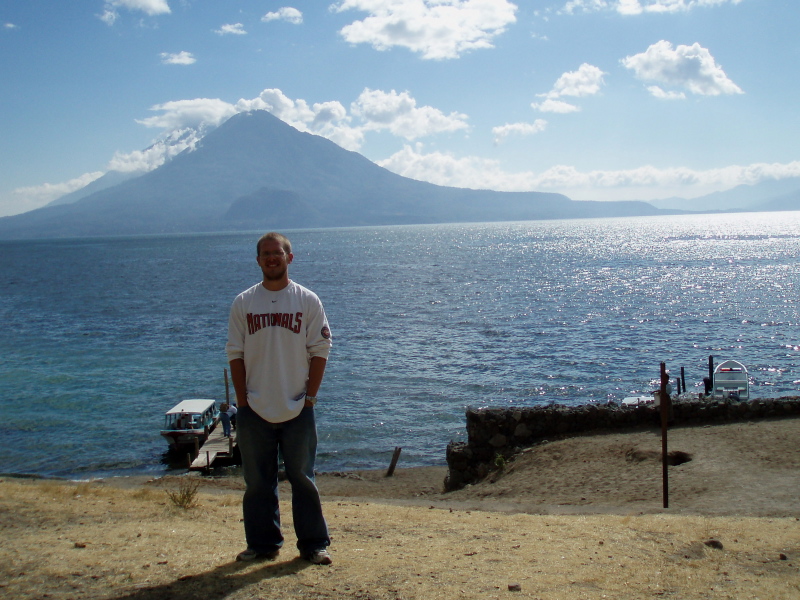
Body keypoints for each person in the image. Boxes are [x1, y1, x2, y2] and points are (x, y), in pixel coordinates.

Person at [226, 232, 333, 565]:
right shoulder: (244, 303)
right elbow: (235, 354)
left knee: (303, 478)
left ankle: (314, 544)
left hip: (297, 406)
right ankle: (262, 544)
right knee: (257, 482)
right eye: (266, 254)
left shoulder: (307, 301)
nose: (272, 258)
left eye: (278, 253)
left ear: (290, 257)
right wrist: (243, 402)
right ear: (257, 260)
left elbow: (321, 350)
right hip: (254, 408)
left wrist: (310, 397)